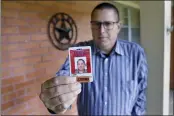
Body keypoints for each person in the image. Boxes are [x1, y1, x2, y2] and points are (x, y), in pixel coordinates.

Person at [39, 2, 148, 115]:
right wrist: (57, 97)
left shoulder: (135, 53)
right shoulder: (80, 51)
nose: (101, 31)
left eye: (108, 24)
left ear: (118, 27)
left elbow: (141, 92)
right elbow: (65, 76)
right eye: (96, 24)